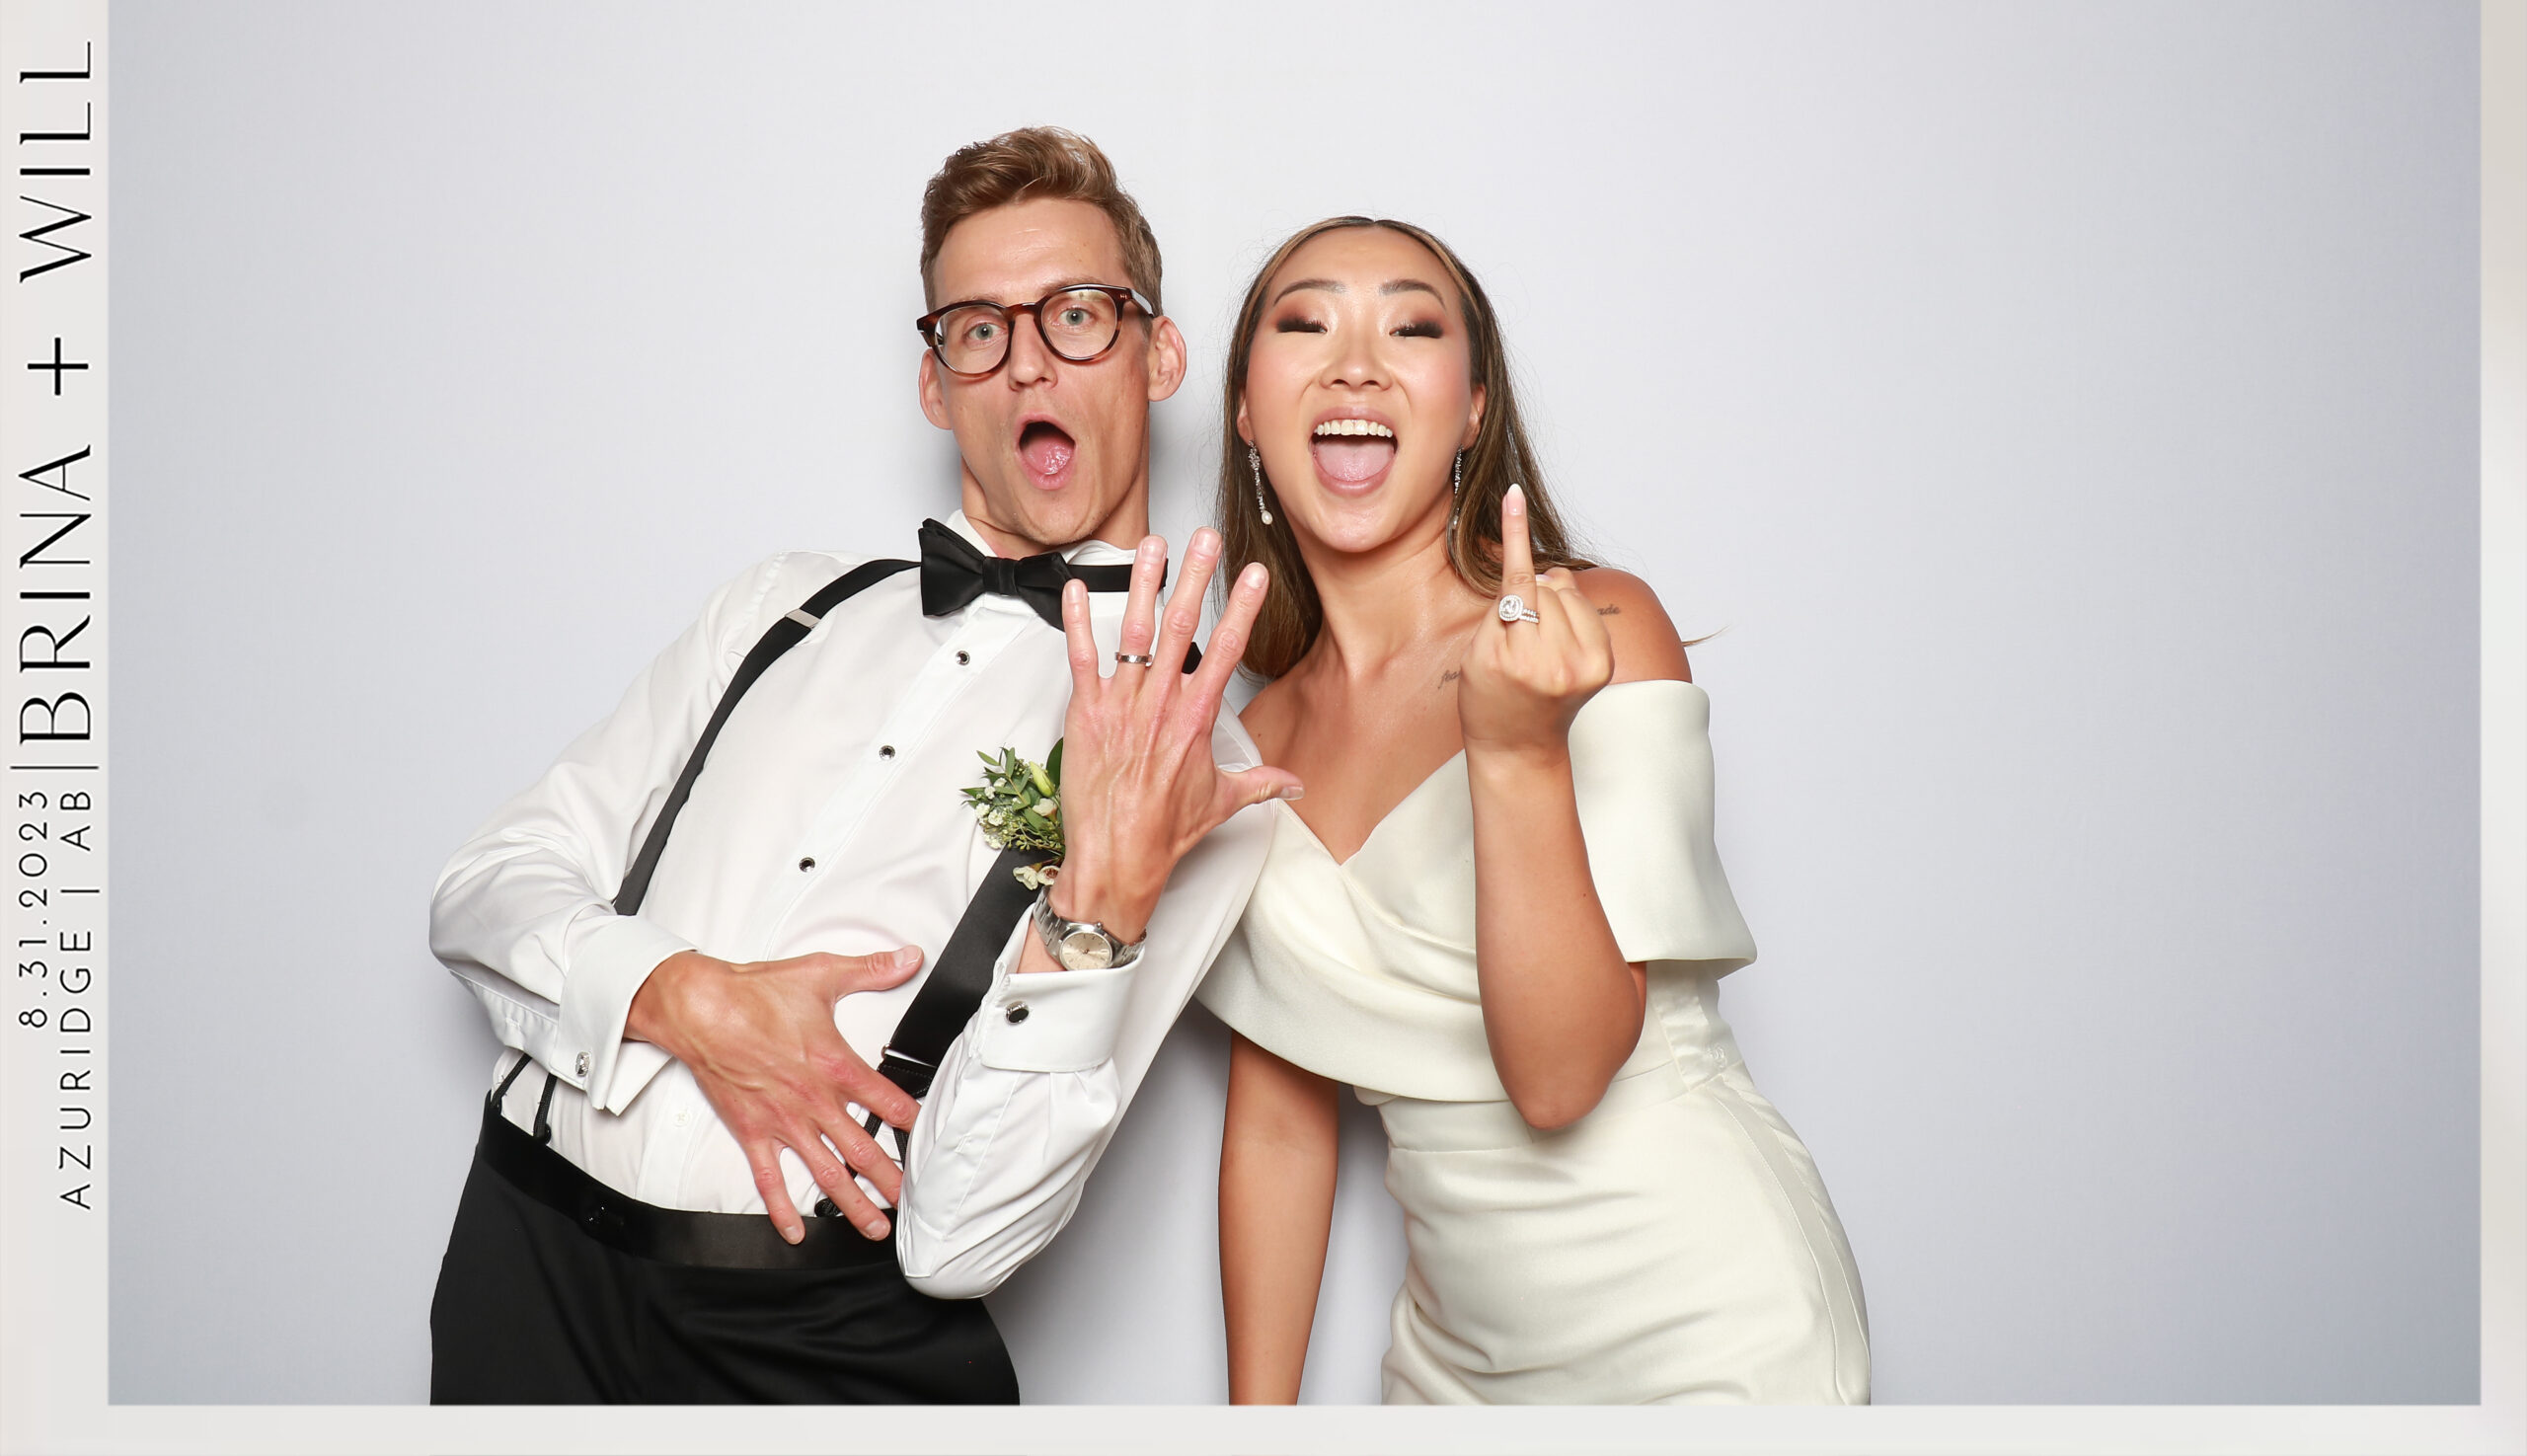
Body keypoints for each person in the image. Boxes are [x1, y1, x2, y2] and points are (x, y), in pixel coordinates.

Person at [424, 126, 1297, 1404]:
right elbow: (486, 883)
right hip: (520, 1264)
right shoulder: (782, 603)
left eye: (1076, 314)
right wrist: (678, 990)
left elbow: (959, 1237)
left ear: (1158, 351)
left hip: (818, 1347)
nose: (1027, 360)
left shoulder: (1194, 758)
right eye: (979, 329)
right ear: (937, 381)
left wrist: (1096, 901)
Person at [1196, 216, 1871, 1405]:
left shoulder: (1595, 632)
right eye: (1304, 325)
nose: (1355, 362)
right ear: (1247, 409)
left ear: (1470, 410)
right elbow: (1282, 1127)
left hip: (1706, 1324)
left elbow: (1560, 1080)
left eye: (1411, 326)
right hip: (1458, 1364)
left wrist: (1514, 754)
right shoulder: (1248, 741)